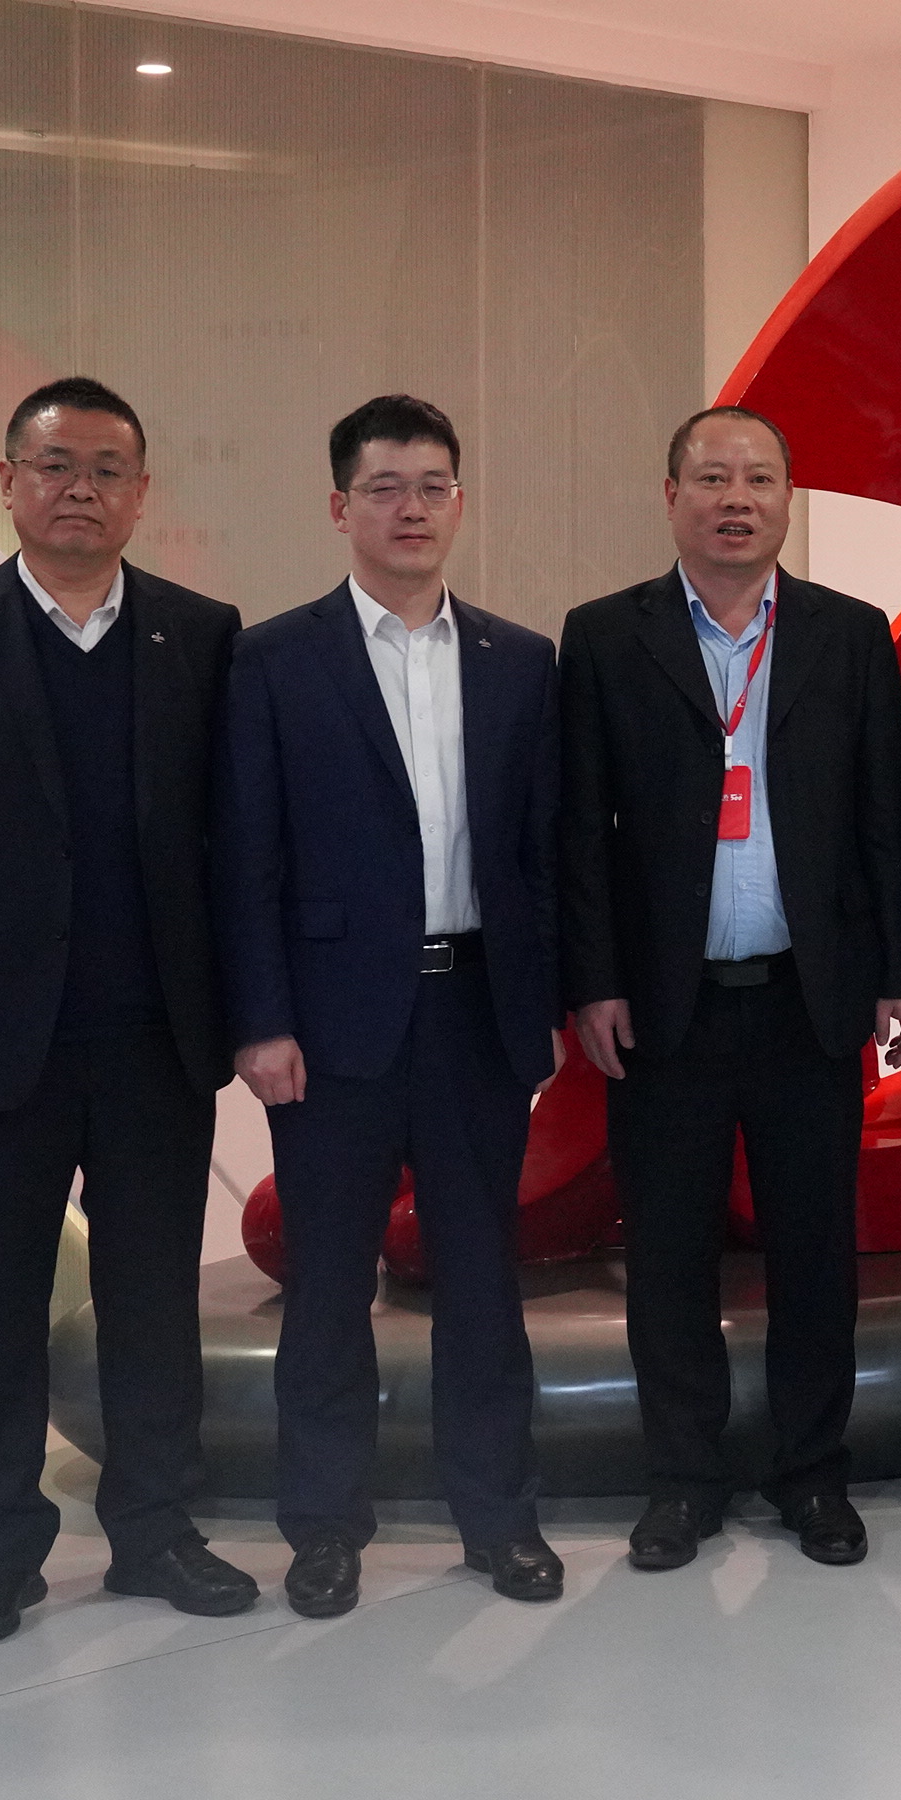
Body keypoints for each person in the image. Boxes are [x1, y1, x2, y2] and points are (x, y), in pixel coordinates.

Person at [0, 378, 253, 1645]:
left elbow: (230, 837)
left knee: (154, 1297)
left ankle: (155, 1527)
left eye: (106, 468)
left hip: (154, 1036)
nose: (79, 488)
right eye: (54, 465)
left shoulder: (202, 635)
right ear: (8, 481)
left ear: (141, 494)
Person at [216, 394, 564, 1618]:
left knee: (482, 1280)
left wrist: (548, 1002)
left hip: (477, 1013)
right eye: (384, 488)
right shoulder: (271, 661)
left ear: (458, 504)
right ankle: (323, 1527)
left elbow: (544, 853)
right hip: (328, 1025)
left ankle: (500, 1517)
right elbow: (244, 857)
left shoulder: (520, 662)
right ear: (339, 507)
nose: (410, 509)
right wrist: (260, 1020)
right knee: (326, 1288)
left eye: (431, 487)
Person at [559, 406, 901, 1573]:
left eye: (759, 479)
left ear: (786, 499)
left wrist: (899, 975)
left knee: (816, 1254)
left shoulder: (847, 634)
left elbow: (886, 817)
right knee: (668, 1257)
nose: (736, 500)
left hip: (809, 1000)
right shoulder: (605, 637)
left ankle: (813, 1474)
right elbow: (580, 830)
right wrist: (593, 981)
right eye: (712, 478)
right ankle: (683, 1479)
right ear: (671, 495)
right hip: (667, 1006)